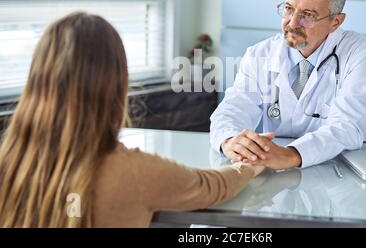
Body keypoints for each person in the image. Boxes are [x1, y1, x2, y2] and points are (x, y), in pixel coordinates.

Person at [0, 12, 264, 228]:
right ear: (116, 85)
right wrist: (248, 166)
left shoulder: (9, 164)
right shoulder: (134, 172)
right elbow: (213, 187)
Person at [210, 0, 366, 170]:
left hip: (346, 171)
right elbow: (233, 108)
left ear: (335, 22)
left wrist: (292, 154)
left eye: (307, 15)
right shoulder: (259, 54)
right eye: (289, 9)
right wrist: (230, 141)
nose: (292, 23)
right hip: (283, 175)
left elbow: (347, 126)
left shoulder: (358, 52)